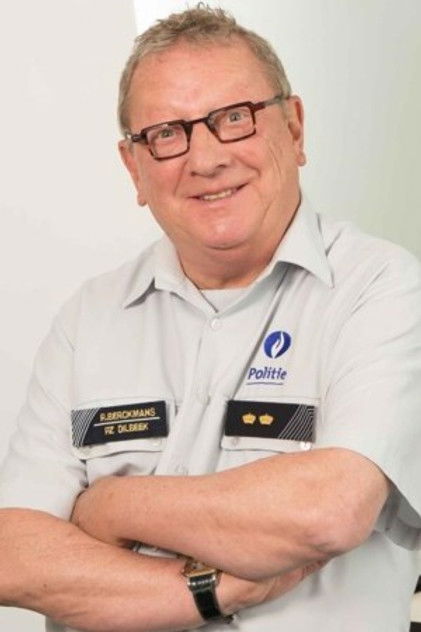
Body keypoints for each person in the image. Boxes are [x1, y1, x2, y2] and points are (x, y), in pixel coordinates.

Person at [0, 4, 420, 632]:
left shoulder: (384, 289)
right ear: (134, 167)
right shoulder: (88, 319)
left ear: (295, 128)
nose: (205, 159)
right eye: (166, 134)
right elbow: (14, 553)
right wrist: (214, 589)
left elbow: (328, 510)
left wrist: (111, 505)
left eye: (234, 118)